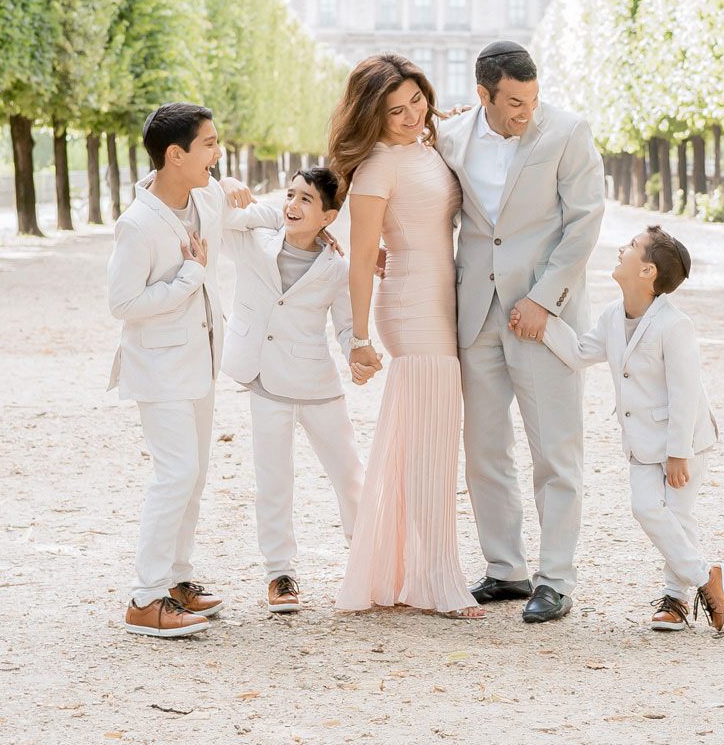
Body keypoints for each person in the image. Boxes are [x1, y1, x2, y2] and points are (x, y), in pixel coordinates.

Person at [435, 41, 605, 624]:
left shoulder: (568, 132)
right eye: (511, 102)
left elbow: (585, 222)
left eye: (532, 99)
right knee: (485, 450)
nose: (524, 112)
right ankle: (506, 569)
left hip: (540, 315)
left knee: (555, 450)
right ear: (482, 95)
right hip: (477, 311)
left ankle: (556, 578)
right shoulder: (452, 137)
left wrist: (544, 299)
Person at [332, 54, 482, 617]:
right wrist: (359, 337)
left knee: (424, 440)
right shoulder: (376, 167)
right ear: (372, 114)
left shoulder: (425, 146)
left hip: (443, 298)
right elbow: (364, 253)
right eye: (395, 110)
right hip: (413, 306)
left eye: (416, 100)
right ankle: (435, 580)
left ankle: (405, 571)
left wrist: (452, 121)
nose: (410, 114)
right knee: (430, 444)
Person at [526, 224, 724, 634]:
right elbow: (580, 353)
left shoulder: (675, 326)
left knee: (678, 514)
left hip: (685, 440)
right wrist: (542, 322)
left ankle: (675, 602)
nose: (622, 248)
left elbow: (685, 393)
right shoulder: (611, 318)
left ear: (647, 272)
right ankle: (704, 575)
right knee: (645, 508)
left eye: (633, 246)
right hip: (641, 442)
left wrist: (678, 453)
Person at [219, 167, 366, 615]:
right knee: (273, 480)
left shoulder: (337, 267)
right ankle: (280, 573)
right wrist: (225, 184)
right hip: (263, 379)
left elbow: (345, 326)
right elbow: (222, 211)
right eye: (290, 195)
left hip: (316, 381)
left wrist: (357, 351)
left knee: (350, 477)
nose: (293, 206)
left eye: (306, 200)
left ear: (329, 216)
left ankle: (365, 559)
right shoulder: (253, 239)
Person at [107, 103, 229, 638]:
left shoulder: (204, 197)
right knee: (175, 474)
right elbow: (123, 303)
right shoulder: (136, 225)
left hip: (199, 361)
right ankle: (144, 597)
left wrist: (319, 231)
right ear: (174, 155)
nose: (217, 154)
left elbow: (253, 213)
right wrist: (190, 277)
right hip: (158, 367)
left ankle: (178, 580)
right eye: (208, 145)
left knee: (194, 475)